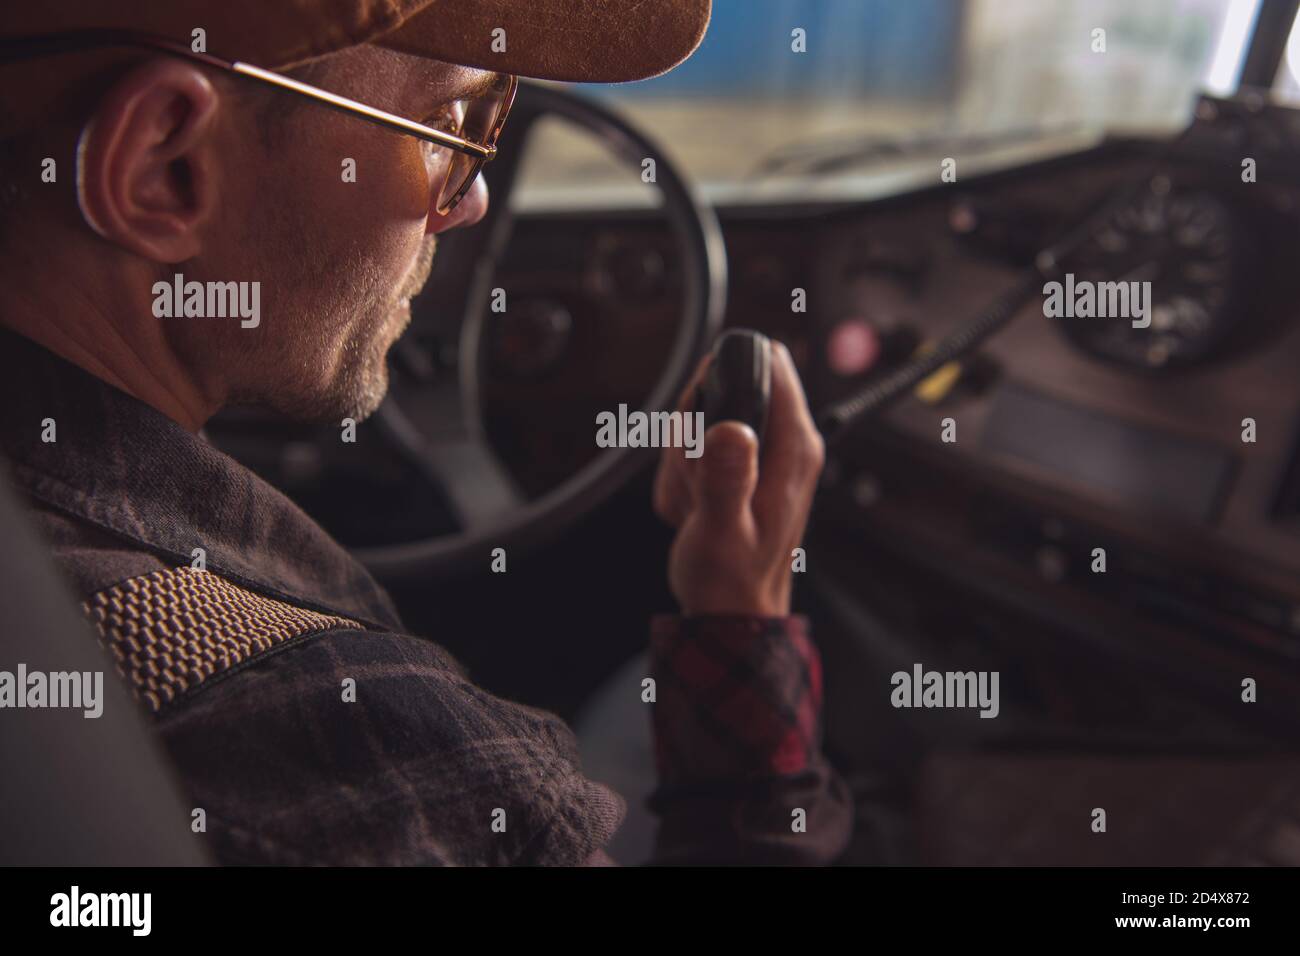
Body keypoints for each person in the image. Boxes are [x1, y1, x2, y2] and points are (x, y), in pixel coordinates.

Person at [0, 0, 852, 864]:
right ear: (165, 167)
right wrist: (744, 620)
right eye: (446, 124)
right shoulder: (377, 762)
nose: (470, 199)